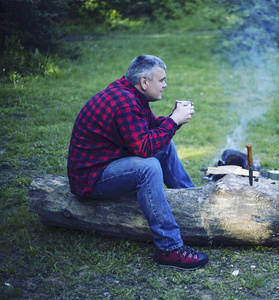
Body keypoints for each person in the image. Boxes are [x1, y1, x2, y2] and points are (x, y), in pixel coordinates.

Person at [67, 55, 208, 270]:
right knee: (148, 168)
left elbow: (150, 132)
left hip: (111, 160)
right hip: (91, 177)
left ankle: (193, 205)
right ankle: (169, 249)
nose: (165, 85)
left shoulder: (132, 94)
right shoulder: (124, 102)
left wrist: (173, 118)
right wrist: (173, 121)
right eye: (161, 80)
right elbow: (143, 148)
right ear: (144, 82)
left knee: (165, 146)